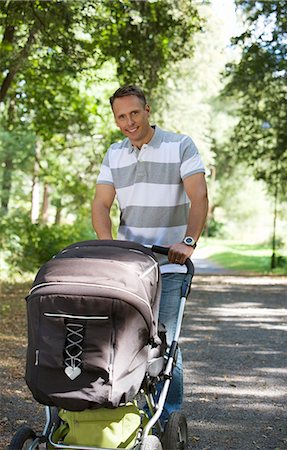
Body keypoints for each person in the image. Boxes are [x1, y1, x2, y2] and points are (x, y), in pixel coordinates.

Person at [92, 85, 208, 424]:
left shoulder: (180, 145)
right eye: (121, 116)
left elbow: (198, 196)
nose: (129, 122)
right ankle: (130, 408)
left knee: (164, 341)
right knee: (127, 338)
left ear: (148, 110)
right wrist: (107, 244)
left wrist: (188, 242)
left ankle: (166, 416)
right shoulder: (114, 153)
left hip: (170, 265)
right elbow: (101, 203)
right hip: (129, 267)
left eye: (134, 113)